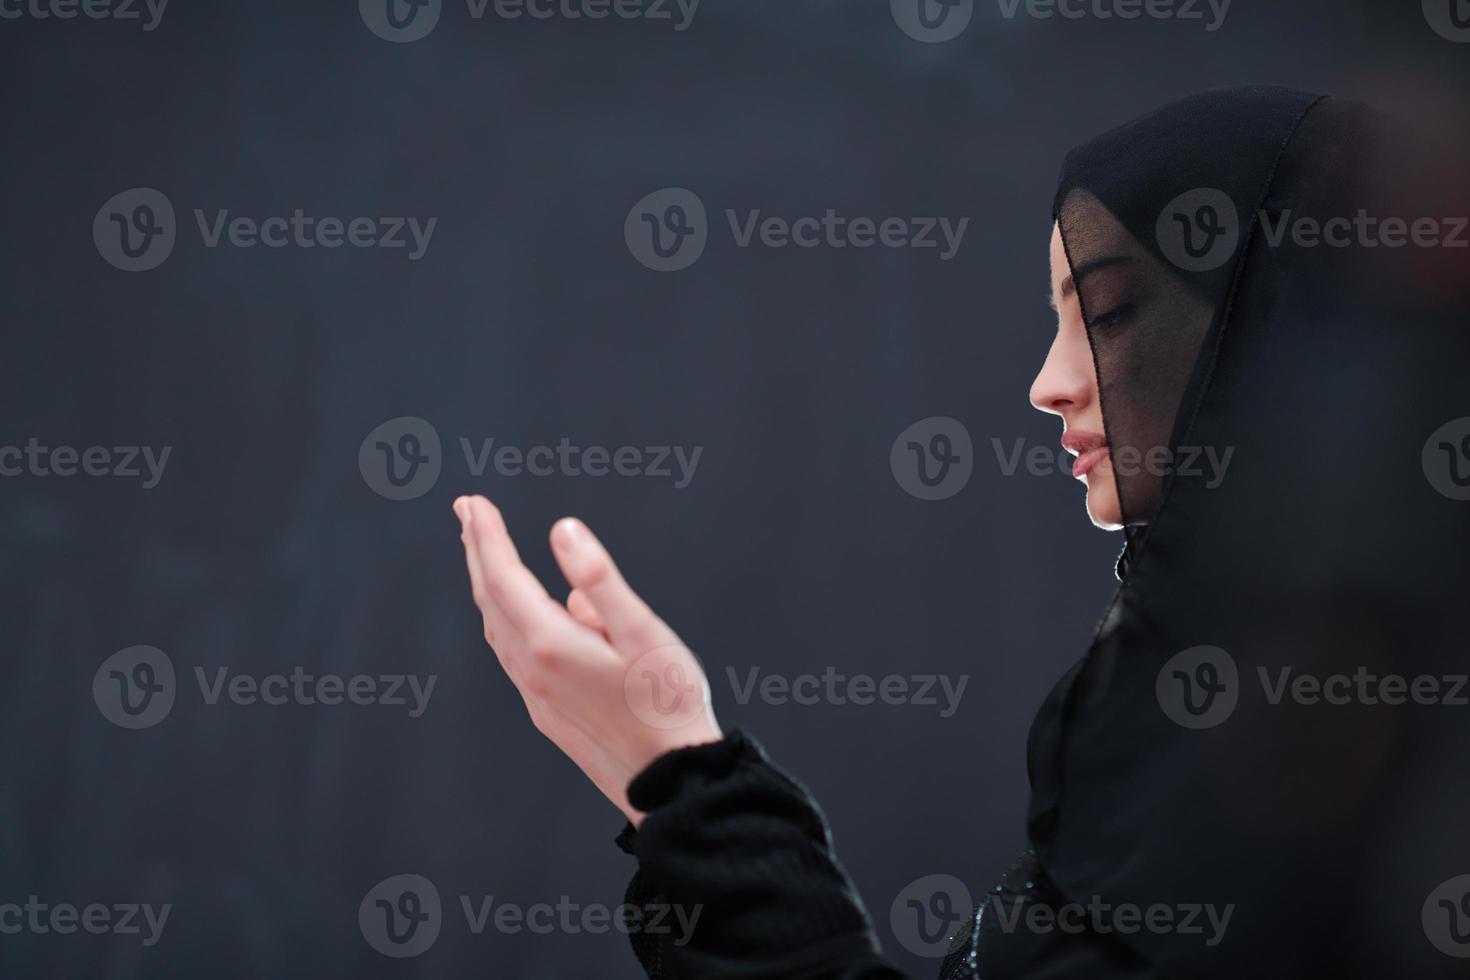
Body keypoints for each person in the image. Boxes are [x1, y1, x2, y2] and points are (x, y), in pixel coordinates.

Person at [452, 86, 1470, 977]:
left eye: (1109, 311)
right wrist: (677, 774)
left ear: (1280, 320)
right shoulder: (1207, 712)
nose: (1045, 383)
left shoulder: (1306, 768)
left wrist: (684, 780)